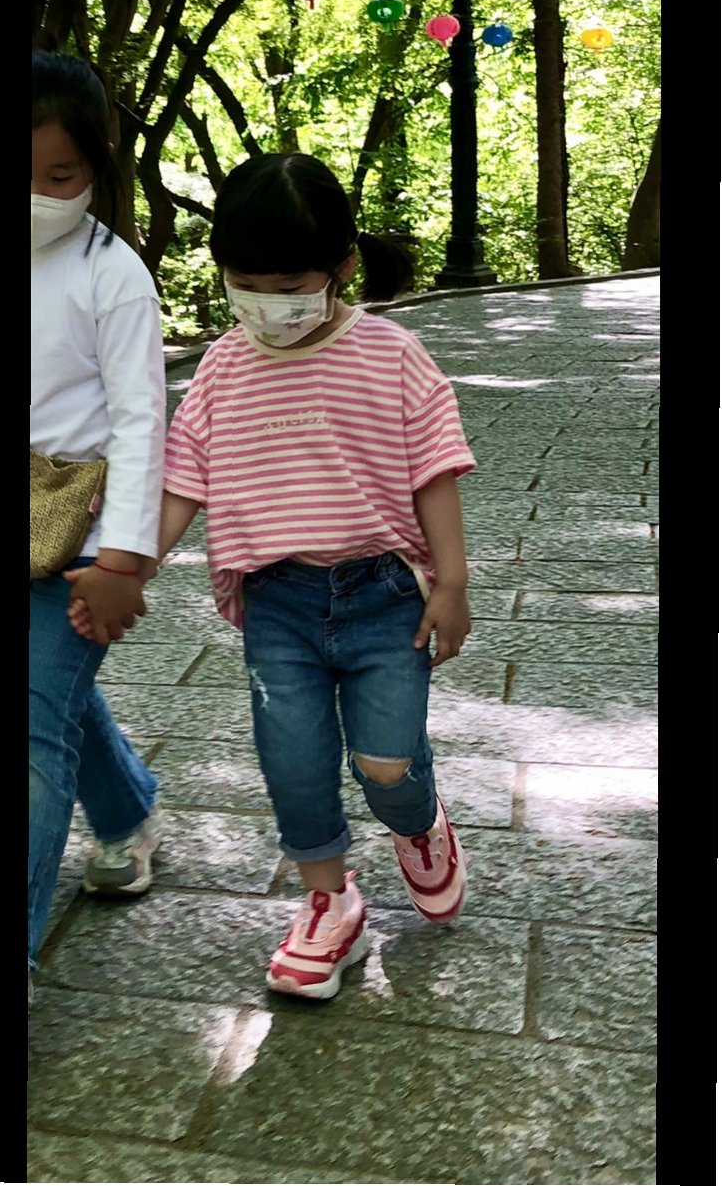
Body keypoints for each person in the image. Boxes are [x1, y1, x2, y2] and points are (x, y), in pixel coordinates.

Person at [73, 152, 476, 1002]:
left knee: (387, 764)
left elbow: (434, 472)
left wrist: (452, 582)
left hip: (385, 597)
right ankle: (329, 902)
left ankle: (419, 824)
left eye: (288, 285)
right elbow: (183, 483)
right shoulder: (223, 367)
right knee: (292, 762)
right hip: (277, 604)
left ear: (342, 267)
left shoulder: (393, 355)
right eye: (245, 284)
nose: (266, 303)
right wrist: (129, 566)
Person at [30, 51, 166, 997]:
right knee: (51, 697)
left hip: (71, 543)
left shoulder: (112, 274)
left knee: (29, 730)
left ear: (96, 168)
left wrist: (123, 559)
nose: (37, 196)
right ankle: (128, 812)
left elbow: (141, 421)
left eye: (59, 175)